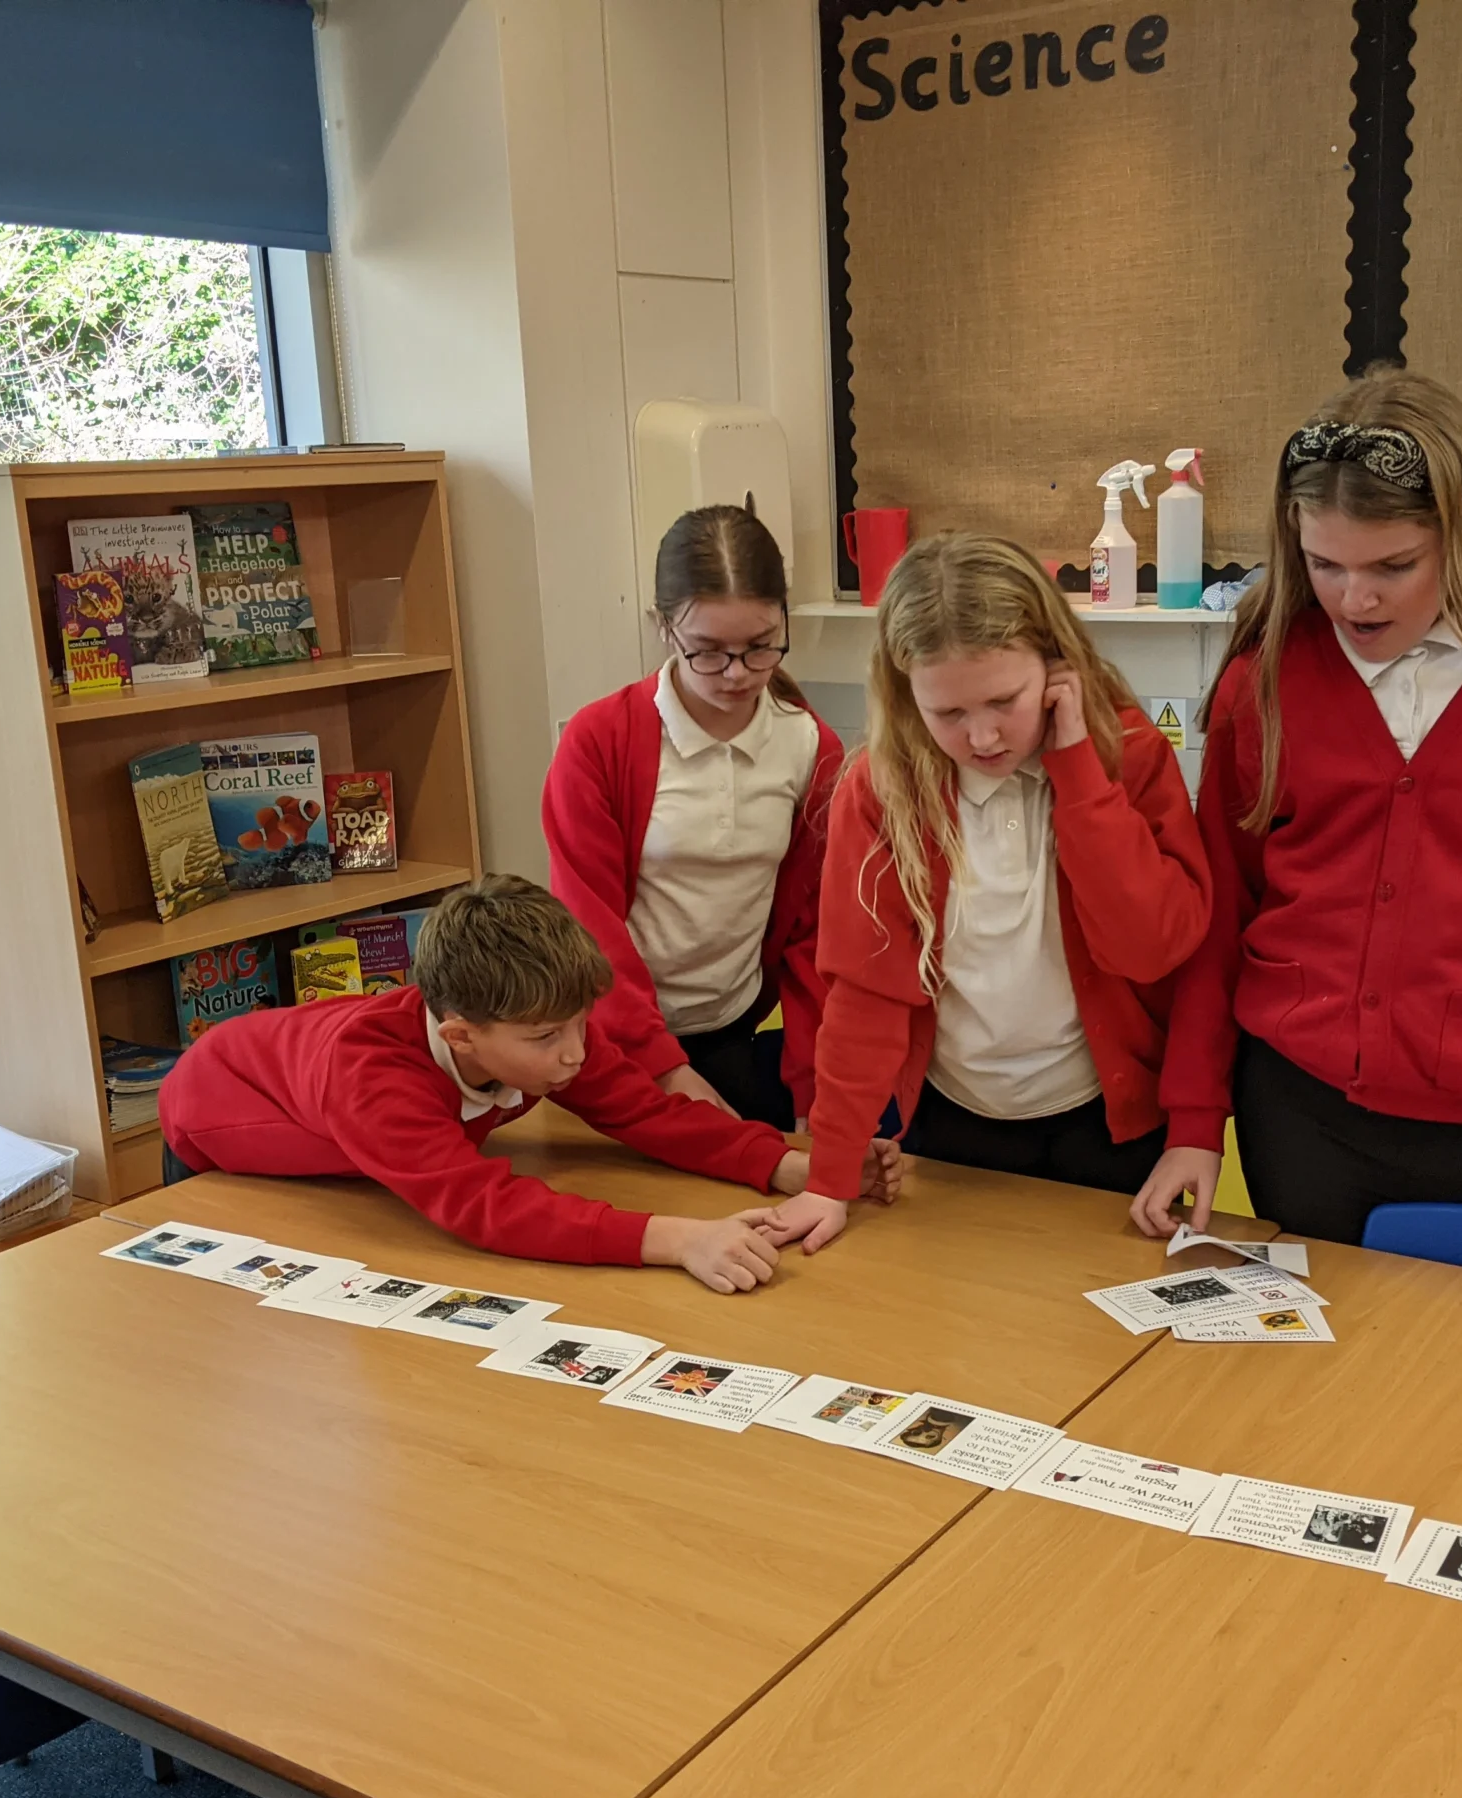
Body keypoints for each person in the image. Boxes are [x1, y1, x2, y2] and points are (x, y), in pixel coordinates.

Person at [1128, 368, 1462, 1296]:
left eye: (1393, 567)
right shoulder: (1266, 676)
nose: (1356, 600)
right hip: (1298, 1114)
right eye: (1325, 565)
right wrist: (1193, 1120)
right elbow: (1223, 911)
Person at [764, 531, 1211, 1252]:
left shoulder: (1127, 756)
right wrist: (829, 1177)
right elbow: (865, 995)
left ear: (1056, 666)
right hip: (954, 1119)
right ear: (906, 694)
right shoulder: (882, 790)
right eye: (948, 714)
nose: (982, 737)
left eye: (1005, 700)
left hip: (1110, 1121)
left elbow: (1153, 948)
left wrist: (1078, 774)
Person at [157, 875, 900, 1291]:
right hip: (216, 1135)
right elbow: (486, 1207)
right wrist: (677, 1238)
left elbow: (648, 1113)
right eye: (547, 1038)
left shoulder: (539, 1024)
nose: (576, 1053)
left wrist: (797, 1167)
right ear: (461, 1035)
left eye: (580, 1023)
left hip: (333, 1132)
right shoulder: (371, 1078)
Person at [544, 505, 843, 1128]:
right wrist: (663, 1069)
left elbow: (815, 936)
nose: (737, 674)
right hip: (606, 1037)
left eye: (759, 647)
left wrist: (816, 1092)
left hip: (731, 1029)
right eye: (707, 651)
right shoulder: (599, 741)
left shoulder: (811, 747)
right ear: (663, 628)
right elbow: (588, 927)